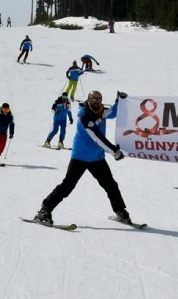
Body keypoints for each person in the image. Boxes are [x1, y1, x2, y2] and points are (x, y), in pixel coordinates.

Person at [33, 90, 131, 225]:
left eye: (99, 99)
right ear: (88, 100)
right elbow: (97, 137)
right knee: (67, 185)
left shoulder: (101, 111)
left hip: (97, 158)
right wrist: (114, 151)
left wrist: (120, 101)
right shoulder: (84, 116)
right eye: (93, 99)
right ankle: (45, 210)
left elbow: (113, 113)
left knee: (110, 185)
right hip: (80, 157)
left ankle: (120, 211)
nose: (96, 102)